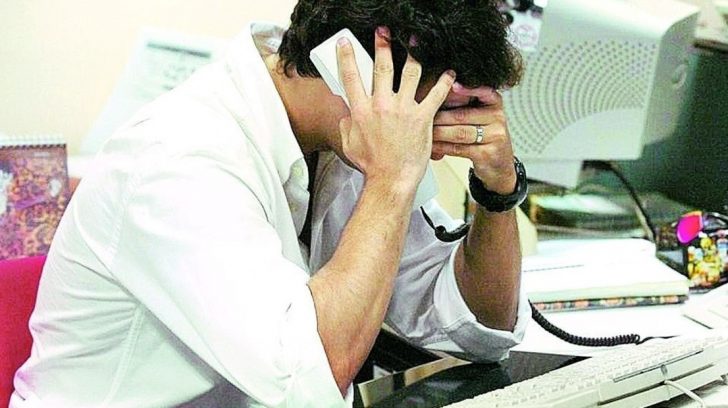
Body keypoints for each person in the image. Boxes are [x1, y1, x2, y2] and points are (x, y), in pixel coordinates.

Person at [11, 0, 529, 406]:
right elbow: (310, 380)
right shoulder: (179, 158)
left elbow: (474, 329)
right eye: (438, 111)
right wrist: (392, 180)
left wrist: (498, 191)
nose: (437, 142)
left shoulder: (344, 143)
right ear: (350, 66)